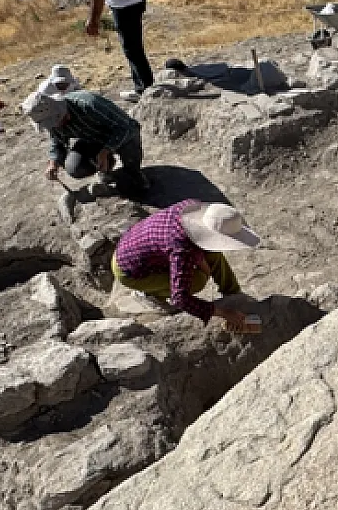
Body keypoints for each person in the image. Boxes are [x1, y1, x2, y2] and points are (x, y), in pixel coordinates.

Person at [112, 200, 259, 330]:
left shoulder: (192, 208)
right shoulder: (183, 249)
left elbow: (201, 248)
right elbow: (180, 298)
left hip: (136, 245)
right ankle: (150, 294)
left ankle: (233, 294)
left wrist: (203, 263)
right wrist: (224, 313)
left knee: (213, 254)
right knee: (198, 280)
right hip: (130, 271)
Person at [25, 88, 147, 196]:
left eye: (55, 121)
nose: (55, 126)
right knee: (74, 167)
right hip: (91, 139)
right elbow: (57, 142)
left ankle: (133, 172)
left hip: (119, 133)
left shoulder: (89, 105)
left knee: (130, 144)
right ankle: (106, 167)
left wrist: (105, 151)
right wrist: (53, 163)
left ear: (59, 111)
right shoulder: (53, 123)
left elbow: (127, 127)